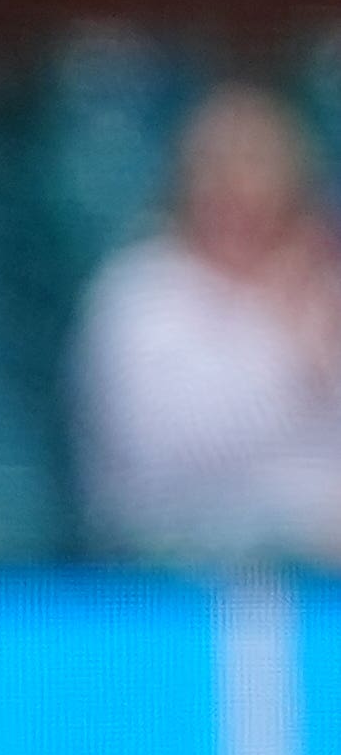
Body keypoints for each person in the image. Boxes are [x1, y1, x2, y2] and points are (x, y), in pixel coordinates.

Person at [73, 84, 341, 566]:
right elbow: (164, 447)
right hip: (173, 563)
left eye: (259, 170)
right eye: (222, 173)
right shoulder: (141, 292)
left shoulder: (322, 286)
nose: (240, 193)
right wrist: (295, 362)